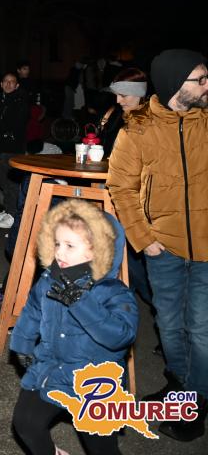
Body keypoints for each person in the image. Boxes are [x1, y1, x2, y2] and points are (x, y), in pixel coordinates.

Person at [107, 49, 208, 441]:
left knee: (200, 330)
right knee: (168, 325)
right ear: (174, 84)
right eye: (200, 79)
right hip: (163, 248)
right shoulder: (138, 128)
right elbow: (120, 186)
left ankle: (194, 404)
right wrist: (144, 239)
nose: (206, 85)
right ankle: (182, 386)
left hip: (206, 250)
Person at [10, 199, 137, 455]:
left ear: (97, 250)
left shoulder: (114, 292)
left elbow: (121, 336)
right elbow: (32, 310)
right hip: (53, 370)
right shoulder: (50, 280)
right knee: (26, 423)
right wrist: (22, 344)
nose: (59, 253)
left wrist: (81, 303)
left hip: (96, 383)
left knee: (102, 448)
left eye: (69, 246)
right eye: (57, 243)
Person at [0, 72, 29, 230]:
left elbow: (14, 123)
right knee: (2, 180)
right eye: (6, 81)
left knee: (12, 182)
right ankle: (8, 208)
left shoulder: (20, 101)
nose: (9, 84)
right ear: (1, 84)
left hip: (13, 147)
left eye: (12, 82)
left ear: (17, 85)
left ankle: (14, 214)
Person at [97, 68, 148, 156]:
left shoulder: (150, 125)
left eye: (123, 95)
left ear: (139, 94)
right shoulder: (122, 118)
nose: (118, 100)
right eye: (116, 95)